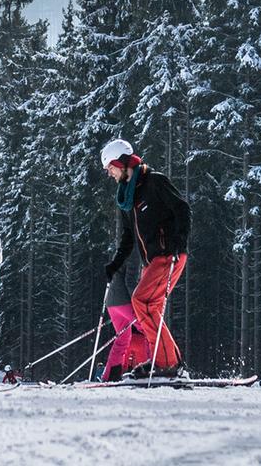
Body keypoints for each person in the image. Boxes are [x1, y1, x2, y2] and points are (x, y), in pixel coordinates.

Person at [100, 138, 190, 380]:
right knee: (151, 309)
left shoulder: (154, 182)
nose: (109, 173)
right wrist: (116, 263)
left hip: (167, 255)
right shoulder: (127, 198)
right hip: (152, 262)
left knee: (142, 302)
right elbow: (129, 236)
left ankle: (167, 364)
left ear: (122, 163)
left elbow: (182, 209)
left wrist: (179, 242)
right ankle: (168, 361)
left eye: (110, 167)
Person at [100, 247, 147, 379]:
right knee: (148, 330)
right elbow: (130, 281)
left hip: (112, 303)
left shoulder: (122, 251)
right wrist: (139, 305)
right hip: (124, 301)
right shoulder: (135, 252)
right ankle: (151, 368)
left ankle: (111, 375)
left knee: (123, 338)